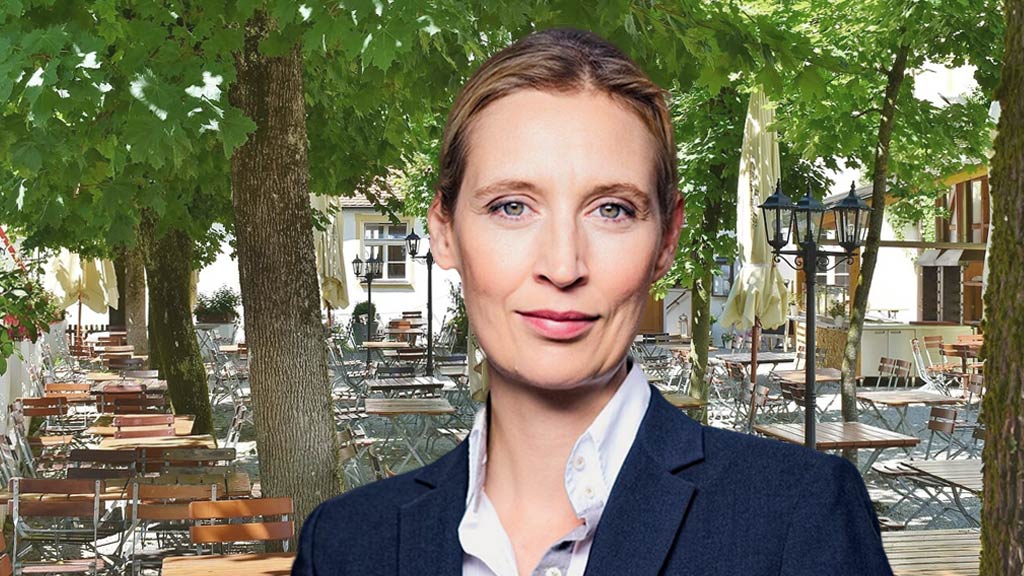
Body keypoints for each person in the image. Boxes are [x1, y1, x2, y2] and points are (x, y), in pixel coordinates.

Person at [293, 28, 893, 576]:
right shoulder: (345, 547)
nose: (562, 266)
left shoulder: (798, 516)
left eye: (612, 210)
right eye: (511, 207)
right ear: (444, 232)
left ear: (666, 240)